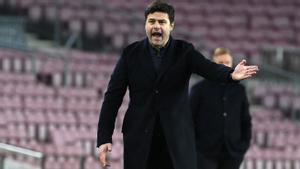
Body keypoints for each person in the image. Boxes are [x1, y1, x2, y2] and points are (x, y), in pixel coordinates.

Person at [96, 1, 258, 169]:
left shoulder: (184, 51)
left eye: (162, 22)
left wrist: (230, 74)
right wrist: (104, 138)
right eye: (152, 21)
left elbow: (207, 68)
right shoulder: (130, 53)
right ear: (145, 24)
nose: (156, 26)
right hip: (140, 140)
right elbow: (112, 97)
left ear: (171, 25)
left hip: (177, 141)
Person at [189, 48, 252, 169]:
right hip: (204, 153)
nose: (224, 66)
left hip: (232, 153)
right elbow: (189, 120)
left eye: (227, 62)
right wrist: (195, 148)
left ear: (232, 64)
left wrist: (243, 146)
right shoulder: (199, 89)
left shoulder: (239, 90)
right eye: (220, 63)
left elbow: (245, 121)